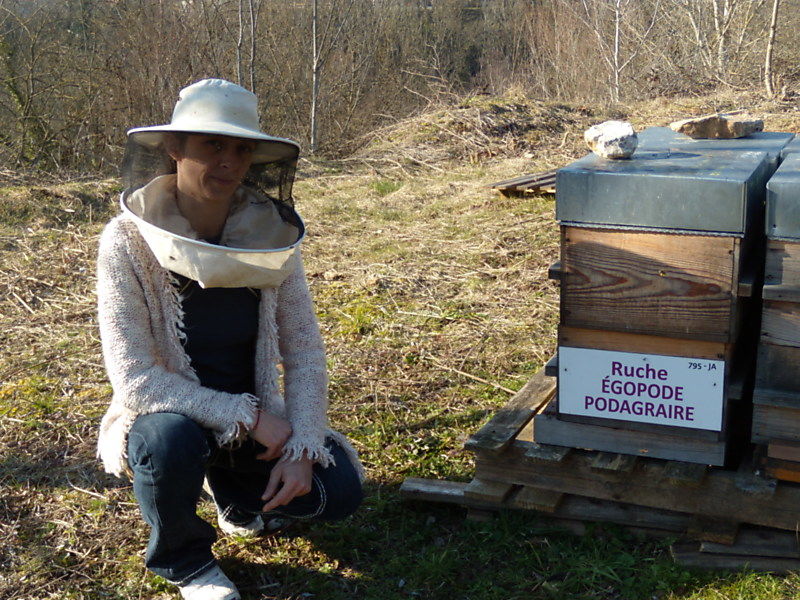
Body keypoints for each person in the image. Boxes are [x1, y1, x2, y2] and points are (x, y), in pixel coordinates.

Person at [95, 78, 363, 600]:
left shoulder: (272, 238)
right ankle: (186, 562)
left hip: (254, 424)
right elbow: (135, 380)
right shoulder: (125, 241)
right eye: (212, 145)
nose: (229, 161)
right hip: (174, 416)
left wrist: (302, 445)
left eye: (241, 149)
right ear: (175, 149)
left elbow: (304, 351)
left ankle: (236, 499)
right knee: (168, 443)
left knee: (338, 492)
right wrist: (251, 418)